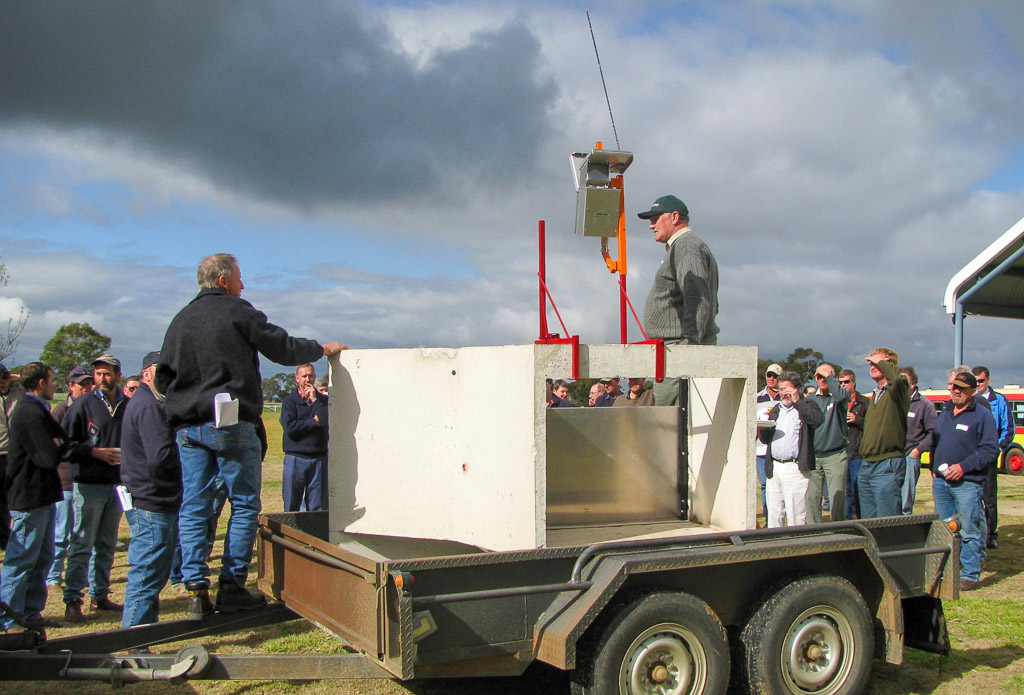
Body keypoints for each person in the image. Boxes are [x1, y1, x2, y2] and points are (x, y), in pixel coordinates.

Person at [156, 253, 345, 620]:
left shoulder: (179, 320)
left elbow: (163, 379)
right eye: (240, 279)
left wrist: (186, 398)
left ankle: (195, 590)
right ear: (224, 281)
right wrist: (322, 349)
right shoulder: (237, 311)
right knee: (244, 504)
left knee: (195, 504)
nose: (243, 285)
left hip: (187, 426)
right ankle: (231, 585)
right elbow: (282, 348)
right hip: (230, 421)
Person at [61, 354, 127, 622]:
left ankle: (100, 595)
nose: (102, 379)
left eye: (107, 373)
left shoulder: (127, 405)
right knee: (81, 543)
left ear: (117, 375)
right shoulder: (83, 405)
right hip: (89, 484)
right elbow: (65, 446)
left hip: (117, 485)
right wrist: (94, 452)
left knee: (106, 544)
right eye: (98, 374)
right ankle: (73, 599)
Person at [1, 362, 65, 631]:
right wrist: (58, 446)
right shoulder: (29, 412)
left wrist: (59, 444)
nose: (54, 385)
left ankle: (30, 612)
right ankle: (7, 620)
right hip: (28, 496)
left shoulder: (39, 410)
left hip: (44, 495)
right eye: (51, 381)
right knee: (21, 559)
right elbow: (46, 456)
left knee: (42, 557)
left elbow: (61, 440)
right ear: (41, 383)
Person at [120, 352, 182, 627]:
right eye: (162, 370)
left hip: (154, 499)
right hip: (151, 501)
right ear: (147, 374)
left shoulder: (153, 403)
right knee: (146, 574)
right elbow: (160, 456)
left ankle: (144, 632)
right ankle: (135, 641)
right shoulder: (149, 407)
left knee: (153, 574)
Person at [638, 195, 719, 405]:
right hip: (676, 349)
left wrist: (687, 348)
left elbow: (698, 298)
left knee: (669, 425)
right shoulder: (683, 247)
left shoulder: (685, 246)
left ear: (674, 217)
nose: (651, 225)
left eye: (655, 218)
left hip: (678, 351)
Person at [930, 371, 998, 591]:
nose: (956, 391)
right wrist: (933, 466)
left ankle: (970, 574)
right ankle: (948, 570)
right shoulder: (945, 411)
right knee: (944, 529)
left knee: (969, 530)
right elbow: (937, 441)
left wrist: (963, 467)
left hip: (967, 483)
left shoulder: (981, 414)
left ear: (972, 391)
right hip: (941, 483)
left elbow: (990, 449)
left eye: (962, 388)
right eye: (954, 387)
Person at [47, 366, 93, 587]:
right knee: (61, 531)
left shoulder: (93, 408)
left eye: (88, 383)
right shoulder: (60, 411)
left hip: (86, 478)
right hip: (65, 480)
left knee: (82, 533)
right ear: (70, 386)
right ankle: (54, 575)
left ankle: (82, 579)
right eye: (81, 384)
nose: (86, 387)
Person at [758, 372, 823, 527]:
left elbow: (817, 420)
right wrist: (762, 429)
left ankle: (796, 545)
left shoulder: (807, 405)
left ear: (797, 389)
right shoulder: (775, 409)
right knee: (774, 512)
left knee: (795, 513)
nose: (783, 393)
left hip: (795, 468)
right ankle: (774, 545)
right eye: (781, 389)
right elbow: (766, 440)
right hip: (774, 467)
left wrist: (797, 401)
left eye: (787, 389)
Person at [858, 348, 910, 518]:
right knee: (868, 522)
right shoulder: (875, 394)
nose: (872, 366)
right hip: (867, 464)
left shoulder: (898, 390)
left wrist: (883, 362)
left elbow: (896, 379)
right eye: (871, 363)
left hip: (887, 464)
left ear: (889, 365)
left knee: (886, 520)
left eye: (876, 363)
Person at [972, 366, 1013, 549]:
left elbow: (1008, 429)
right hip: (970, 457)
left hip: (988, 457)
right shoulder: (969, 400)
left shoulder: (999, 401)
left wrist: (997, 448)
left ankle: (990, 535)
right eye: (975, 381)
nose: (978, 384)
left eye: (981, 381)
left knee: (989, 498)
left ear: (988, 380)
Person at [280, 364, 329, 512]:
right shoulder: (290, 401)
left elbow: (326, 420)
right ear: (297, 379)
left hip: (318, 459)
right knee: (292, 506)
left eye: (311, 376)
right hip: (295, 458)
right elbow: (290, 429)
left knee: (318, 508)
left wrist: (315, 401)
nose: (308, 379)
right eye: (304, 376)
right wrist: (314, 422)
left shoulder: (323, 401)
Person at [807, 363, 850, 523]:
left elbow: (842, 396)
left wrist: (830, 378)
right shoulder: (810, 399)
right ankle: (813, 533)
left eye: (826, 376)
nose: (822, 379)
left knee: (836, 496)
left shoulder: (838, 397)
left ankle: (838, 530)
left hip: (835, 454)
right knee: (812, 497)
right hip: (814, 456)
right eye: (819, 376)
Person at [901, 367, 936, 515]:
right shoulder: (893, 402)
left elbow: (933, 432)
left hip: (910, 457)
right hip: (891, 456)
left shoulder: (924, 404)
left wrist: (917, 451)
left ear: (913, 384)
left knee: (905, 503)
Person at [0, 363, 25, 550]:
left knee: (13, 498)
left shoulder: (19, 393)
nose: (1, 385)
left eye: (4, 381)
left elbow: (32, 382)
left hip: (15, 453)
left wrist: (16, 378)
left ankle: (10, 536)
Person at [839, 369, 869, 519]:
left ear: (854, 382)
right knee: (845, 492)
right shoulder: (837, 402)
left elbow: (872, 426)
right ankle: (846, 525)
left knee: (859, 490)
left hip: (858, 453)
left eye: (846, 382)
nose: (843, 385)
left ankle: (862, 523)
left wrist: (857, 420)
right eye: (840, 382)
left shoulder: (865, 402)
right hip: (841, 453)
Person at [755, 364, 783, 517]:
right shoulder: (757, 397)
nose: (772, 379)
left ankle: (779, 516)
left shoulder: (785, 397)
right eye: (769, 375)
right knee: (765, 485)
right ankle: (768, 516)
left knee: (779, 485)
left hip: (779, 448)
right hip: (760, 449)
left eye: (776, 376)